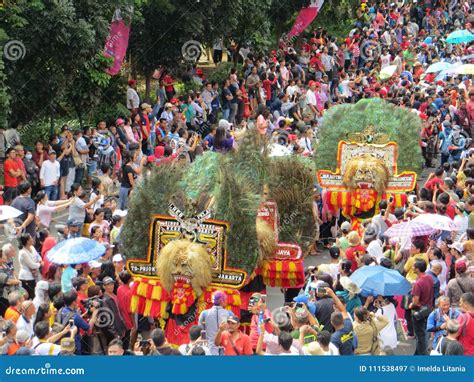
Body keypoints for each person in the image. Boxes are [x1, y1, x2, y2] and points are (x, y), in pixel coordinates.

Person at [58, 289, 99, 355]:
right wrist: (95, 312)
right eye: (77, 299)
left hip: (63, 342)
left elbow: (74, 320)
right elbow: (88, 327)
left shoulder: (61, 310)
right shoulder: (75, 317)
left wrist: (84, 314)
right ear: (73, 302)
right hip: (74, 344)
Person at [409, 259, 434, 355]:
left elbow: (415, 302)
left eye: (414, 266)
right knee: (423, 334)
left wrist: (411, 305)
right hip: (428, 309)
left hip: (419, 312)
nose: (412, 267)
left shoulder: (418, 283)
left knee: (420, 336)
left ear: (418, 269)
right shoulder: (429, 277)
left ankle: (422, 356)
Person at [198, 291, 232, 355]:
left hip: (208, 348)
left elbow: (200, 329)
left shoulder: (204, 313)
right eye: (225, 300)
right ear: (221, 301)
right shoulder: (229, 313)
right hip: (225, 348)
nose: (226, 302)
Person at [328, 287, 355, 355]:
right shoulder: (348, 325)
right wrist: (332, 294)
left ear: (332, 323)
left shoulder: (334, 338)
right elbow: (343, 310)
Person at [101, 276, 126, 343]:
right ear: (104, 286)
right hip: (115, 332)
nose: (111, 286)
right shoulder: (105, 300)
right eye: (108, 285)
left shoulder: (114, 296)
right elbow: (108, 318)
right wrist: (114, 334)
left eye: (112, 284)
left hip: (120, 327)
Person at [18, 233, 42, 299]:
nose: (32, 239)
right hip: (27, 278)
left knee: (35, 294)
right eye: (31, 238)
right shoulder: (23, 253)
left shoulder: (32, 247)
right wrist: (40, 264)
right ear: (27, 241)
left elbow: (38, 256)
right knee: (32, 296)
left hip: (34, 275)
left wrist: (40, 260)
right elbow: (32, 265)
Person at [117, 271, 135, 351]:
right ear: (129, 280)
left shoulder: (119, 288)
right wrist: (134, 324)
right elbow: (130, 311)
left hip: (121, 319)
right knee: (126, 344)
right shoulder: (129, 293)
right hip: (128, 321)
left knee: (123, 341)